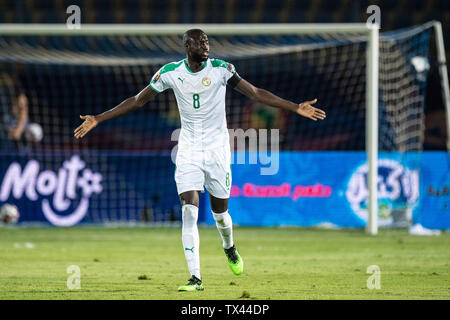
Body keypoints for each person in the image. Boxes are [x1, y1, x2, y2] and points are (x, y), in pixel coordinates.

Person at [74, 29, 326, 292]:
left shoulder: (221, 69)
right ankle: (195, 278)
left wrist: (295, 106)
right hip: (188, 151)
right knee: (189, 210)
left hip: (218, 151)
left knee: (220, 214)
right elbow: (138, 101)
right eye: (200, 41)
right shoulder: (170, 72)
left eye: (207, 41)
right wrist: (99, 118)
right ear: (187, 45)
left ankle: (229, 247)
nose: (206, 45)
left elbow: (254, 93)